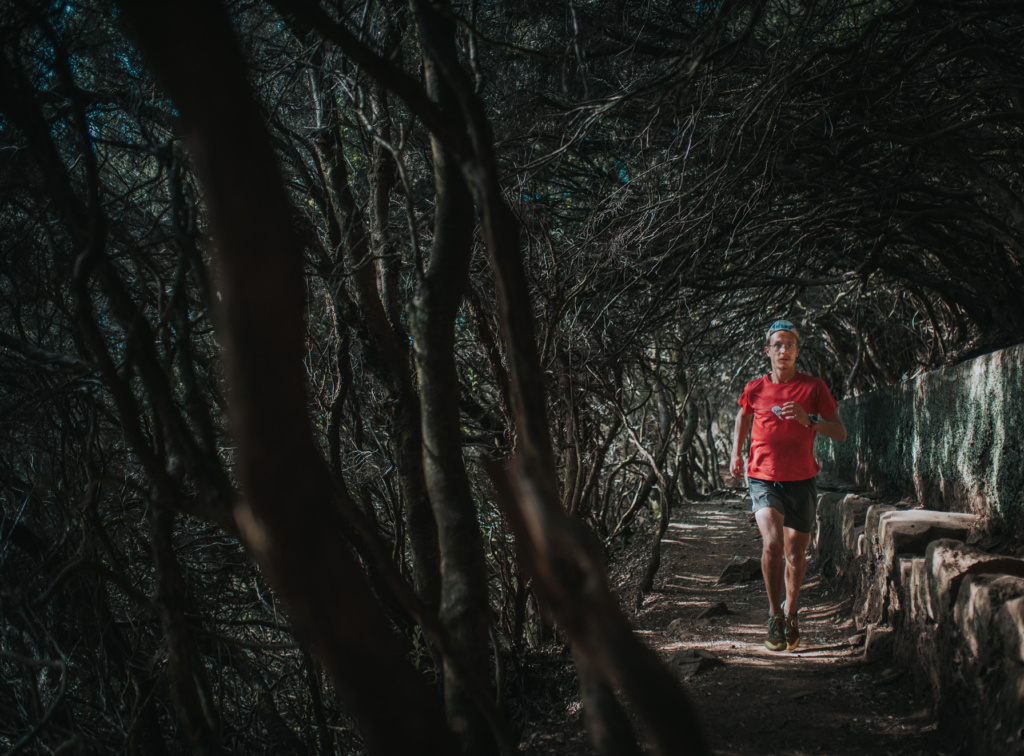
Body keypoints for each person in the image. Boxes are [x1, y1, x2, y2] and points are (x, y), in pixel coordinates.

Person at [730, 319, 847, 651]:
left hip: (802, 480)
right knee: (772, 543)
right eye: (777, 345)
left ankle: (791, 612)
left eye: (790, 345)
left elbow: (840, 432)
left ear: (797, 351)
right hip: (763, 478)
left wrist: (810, 420)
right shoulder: (755, 388)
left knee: (795, 554)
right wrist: (736, 453)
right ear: (768, 351)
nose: (783, 350)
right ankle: (773, 615)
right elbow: (743, 414)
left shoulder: (814, 388)